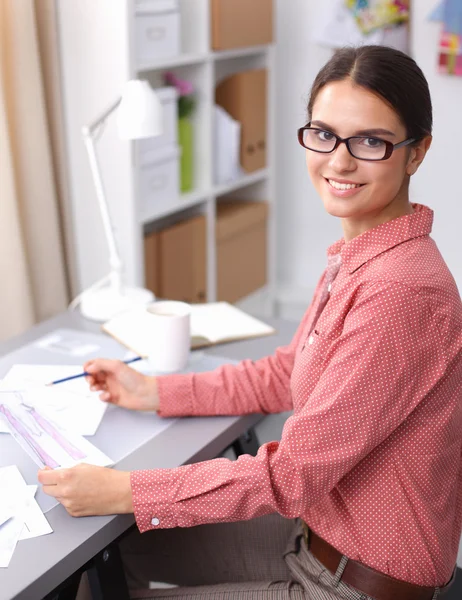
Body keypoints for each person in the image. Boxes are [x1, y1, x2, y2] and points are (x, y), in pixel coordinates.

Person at [39, 45, 462, 600]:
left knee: (109, 567)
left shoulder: (401, 293)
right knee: (123, 550)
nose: (338, 161)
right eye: (324, 133)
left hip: (351, 583)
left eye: (370, 142)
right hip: (316, 534)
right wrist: (154, 391)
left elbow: (291, 476)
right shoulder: (363, 254)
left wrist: (126, 490)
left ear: (416, 152)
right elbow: (289, 371)